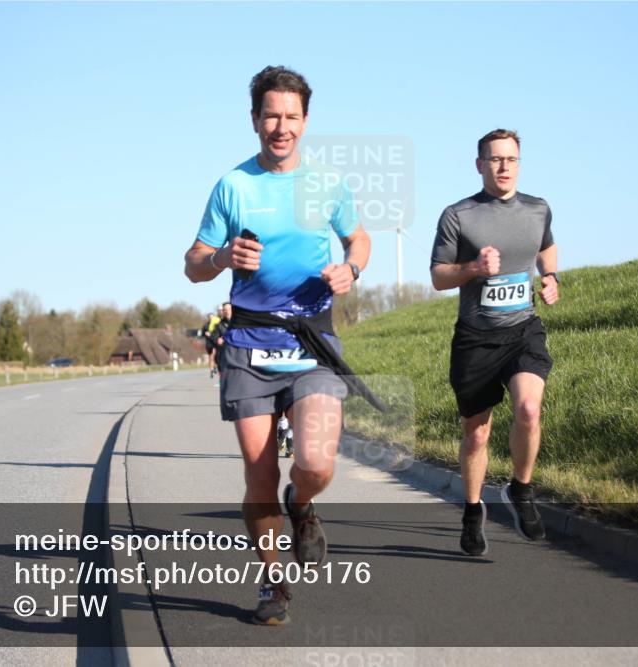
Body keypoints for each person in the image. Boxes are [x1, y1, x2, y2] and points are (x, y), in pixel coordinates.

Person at [184, 65, 371, 625]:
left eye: (291, 116)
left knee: (314, 463)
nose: (281, 126)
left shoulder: (329, 184)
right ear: (254, 120)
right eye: (271, 115)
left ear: (306, 121)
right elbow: (192, 264)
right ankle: (273, 586)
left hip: (310, 338)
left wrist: (352, 268)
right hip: (248, 341)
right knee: (259, 474)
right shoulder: (233, 186)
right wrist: (220, 259)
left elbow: (357, 236)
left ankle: (304, 506)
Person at [429, 128, 560, 557]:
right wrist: (472, 267)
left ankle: (521, 490)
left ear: (520, 163)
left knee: (528, 408)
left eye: (512, 159)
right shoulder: (458, 215)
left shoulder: (538, 209)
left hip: (522, 329)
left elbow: (547, 247)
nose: (505, 167)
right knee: (478, 435)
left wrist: (551, 277)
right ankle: (471, 510)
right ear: (480, 164)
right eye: (496, 159)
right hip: (475, 339)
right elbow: (437, 277)